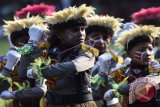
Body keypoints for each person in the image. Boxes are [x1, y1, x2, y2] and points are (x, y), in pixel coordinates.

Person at [14, 4, 97, 107]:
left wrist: (39, 72)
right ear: (59, 34)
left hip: (80, 104)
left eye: (82, 29)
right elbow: (23, 74)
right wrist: (32, 42)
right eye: (75, 30)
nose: (81, 34)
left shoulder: (88, 52)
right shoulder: (50, 51)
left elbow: (74, 66)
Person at [0, 16, 49, 107]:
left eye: (34, 39)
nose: (30, 44)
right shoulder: (5, 60)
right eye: (26, 40)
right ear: (15, 44)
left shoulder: (45, 58)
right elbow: (2, 90)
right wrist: (7, 70)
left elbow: (42, 90)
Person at [113, 25, 160, 107]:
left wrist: (126, 88)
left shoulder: (157, 69)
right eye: (142, 49)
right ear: (128, 54)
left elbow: (144, 85)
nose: (148, 53)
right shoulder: (120, 72)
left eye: (150, 49)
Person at [85, 15, 123, 107]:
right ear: (85, 38)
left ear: (110, 40)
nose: (101, 42)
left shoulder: (117, 59)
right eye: (95, 37)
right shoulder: (76, 57)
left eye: (105, 37)